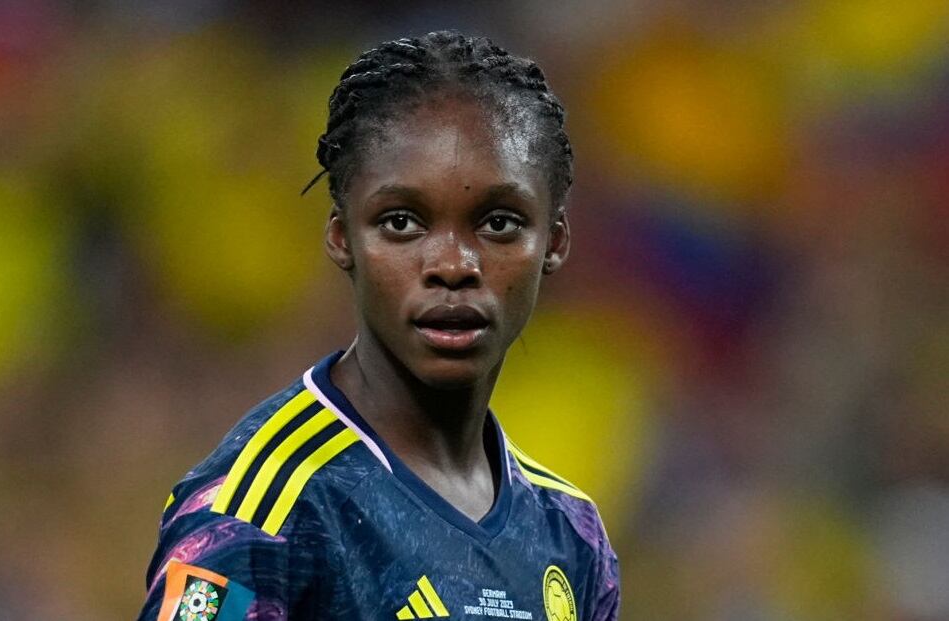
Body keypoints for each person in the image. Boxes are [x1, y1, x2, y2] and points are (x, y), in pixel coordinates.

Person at [138, 30, 620, 621]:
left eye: (498, 223)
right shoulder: (260, 511)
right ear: (343, 239)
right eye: (401, 222)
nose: (453, 265)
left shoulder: (569, 533)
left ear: (554, 242)